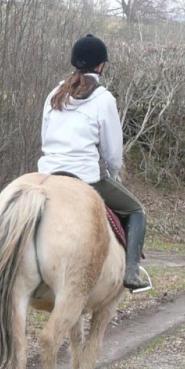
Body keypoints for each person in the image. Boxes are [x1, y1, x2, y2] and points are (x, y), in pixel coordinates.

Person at [37, 34, 150, 291]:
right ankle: (132, 273)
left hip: (48, 174)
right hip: (85, 177)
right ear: (101, 66)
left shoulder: (54, 94)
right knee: (136, 211)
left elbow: (45, 137)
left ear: (74, 62)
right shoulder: (103, 99)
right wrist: (113, 172)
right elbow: (112, 153)